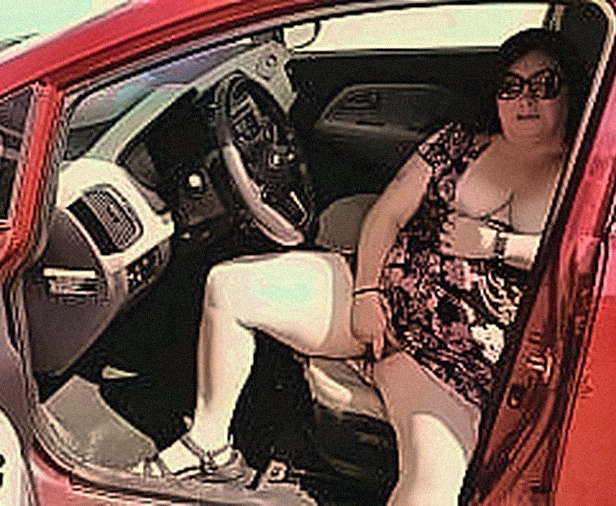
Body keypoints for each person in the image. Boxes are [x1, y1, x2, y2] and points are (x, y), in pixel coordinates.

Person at [135, 28, 586, 505]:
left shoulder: (585, 173)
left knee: (430, 493)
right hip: (380, 297)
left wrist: (499, 246)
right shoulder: (457, 143)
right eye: (511, 86)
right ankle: (208, 444)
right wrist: (367, 292)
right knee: (230, 287)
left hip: (449, 361)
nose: (526, 99)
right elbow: (386, 215)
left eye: (544, 85)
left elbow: (584, 258)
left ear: (569, 91)